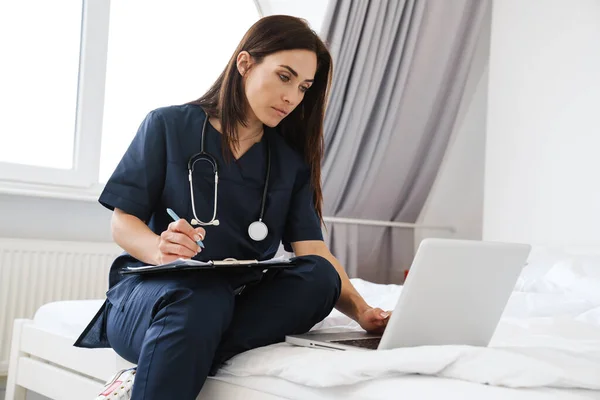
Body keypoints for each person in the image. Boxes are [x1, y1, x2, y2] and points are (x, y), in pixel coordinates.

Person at [75, 14, 391, 400]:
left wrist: (361, 310)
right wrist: (159, 248)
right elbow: (123, 224)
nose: (293, 97)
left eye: (305, 87)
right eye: (284, 76)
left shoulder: (289, 162)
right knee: (201, 299)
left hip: (234, 298)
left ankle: (160, 366)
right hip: (156, 293)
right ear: (245, 64)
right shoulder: (168, 126)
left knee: (319, 277)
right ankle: (172, 356)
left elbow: (313, 250)